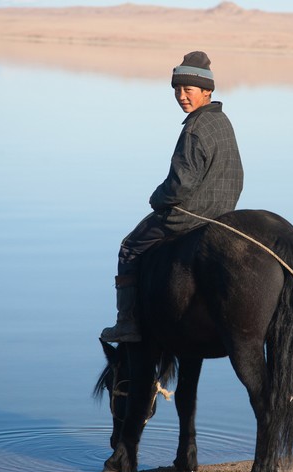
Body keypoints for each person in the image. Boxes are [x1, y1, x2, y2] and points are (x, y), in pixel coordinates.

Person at [101, 50, 244, 343]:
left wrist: (157, 199)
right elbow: (237, 176)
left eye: (188, 90)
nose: (181, 96)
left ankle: (127, 323)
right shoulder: (222, 122)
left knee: (129, 247)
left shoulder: (195, 128)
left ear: (206, 91)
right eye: (177, 90)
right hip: (223, 214)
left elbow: (180, 185)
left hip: (188, 215)